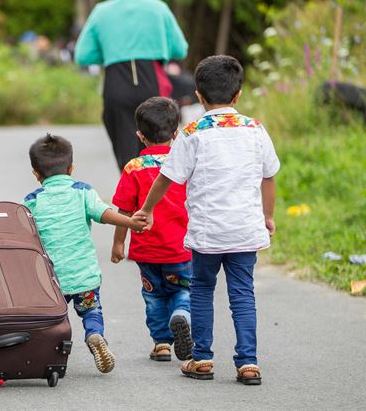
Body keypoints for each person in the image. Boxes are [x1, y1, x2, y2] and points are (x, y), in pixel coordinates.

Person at [133, 55, 280, 385]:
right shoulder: (255, 129)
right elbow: (269, 177)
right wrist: (267, 215)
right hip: (244, 229)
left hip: (207, 233)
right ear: (238, 95)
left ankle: (201, 358)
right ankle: (248, 363)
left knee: (201, 290)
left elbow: (167, 177)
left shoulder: (192, 132)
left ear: (198, 96)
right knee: (243, 294)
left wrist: (148, 208)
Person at [23, 133, 146, 374]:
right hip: (83, 276)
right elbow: (104, 214)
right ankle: (95, 335)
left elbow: (20, 234)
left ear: (36, 173)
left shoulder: (32, 201)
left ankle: (53, 356)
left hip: (49, 279)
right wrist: (130, 222)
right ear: (71, 168)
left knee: (53, 320)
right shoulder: (82, 191)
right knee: (91, 310)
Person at [111, 97, 192, 362]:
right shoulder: (185, 166)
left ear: (140, 136)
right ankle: (182, 313)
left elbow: (124, 210)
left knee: (153, 294)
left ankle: (161, 344)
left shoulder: (134, 168)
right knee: (183, 289)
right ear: (176, 133)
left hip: (146, 249)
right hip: (182, 247)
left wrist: (118, 244)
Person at [74, 0, 188, 171]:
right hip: (152, 79)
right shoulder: (158, 7)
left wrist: (111, 53)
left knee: (125, 150)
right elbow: (180, 48)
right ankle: (157, 193)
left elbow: (82, 55)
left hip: (116, 80)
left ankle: (130, 192)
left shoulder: (102, 11)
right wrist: (159, 49)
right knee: (158, 146)